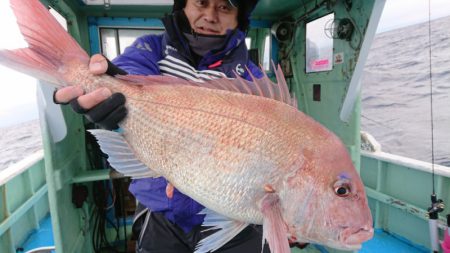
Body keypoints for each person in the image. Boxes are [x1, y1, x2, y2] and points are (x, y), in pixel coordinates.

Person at [54, 0, 273, 252]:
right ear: (183, 6)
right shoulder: (151, 48)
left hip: (234, 217)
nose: (211, 16)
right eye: (201, 2)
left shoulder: (254, 80)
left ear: (239, 17)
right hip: (160, 210)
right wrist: (108, 87)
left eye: (225, 7)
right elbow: (128, 71)